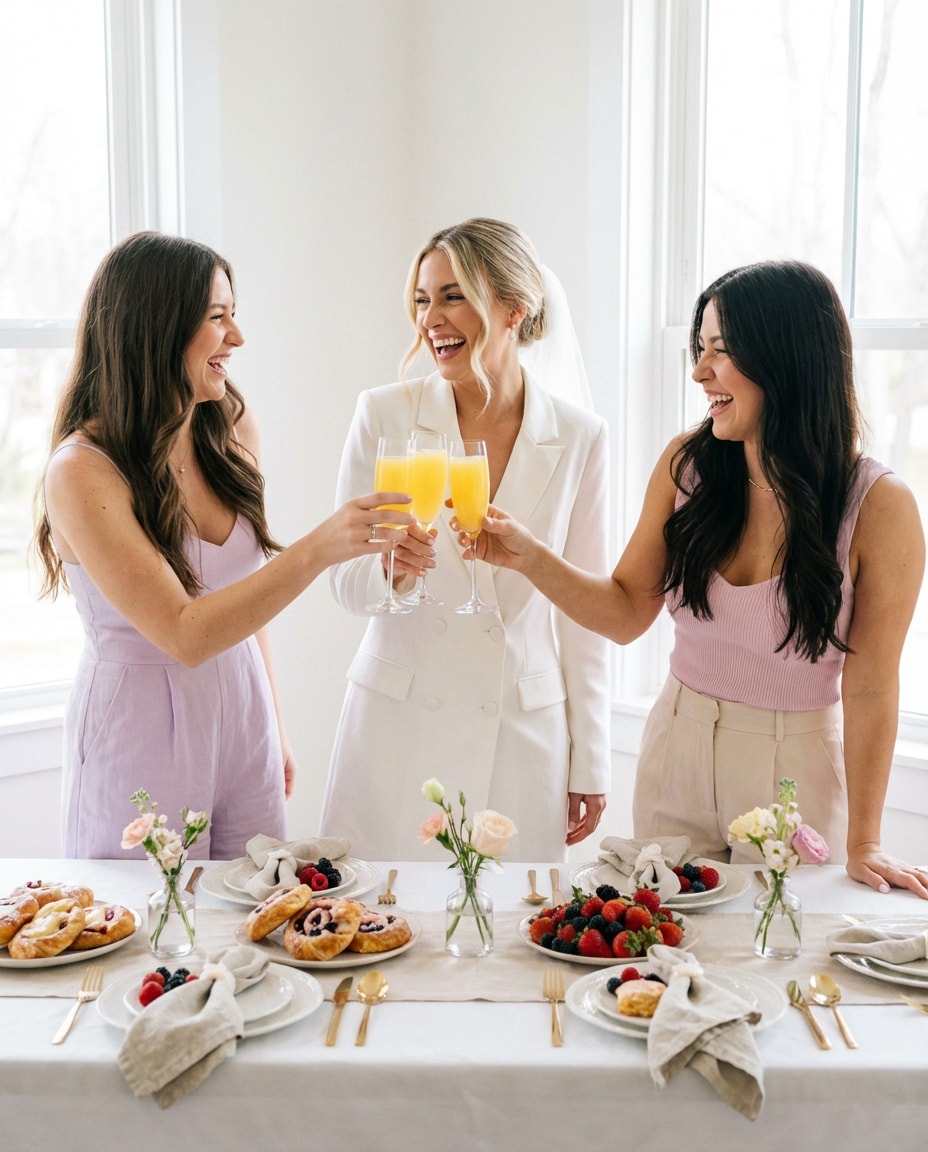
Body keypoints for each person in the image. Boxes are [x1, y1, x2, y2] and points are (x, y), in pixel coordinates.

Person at [466, 259, 928, 898]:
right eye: (699, 348)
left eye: (721, 350)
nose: (699, 372)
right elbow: (626, 613)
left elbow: (872, 684)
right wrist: (529, 556)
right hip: (678, 746)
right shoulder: (688, 466)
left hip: (793, 768)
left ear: (787, 357)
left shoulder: (878, 505)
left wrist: (866, 840)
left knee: (776, 944)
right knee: (663, 941)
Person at [35, 231, 413, 861]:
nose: (236, 337)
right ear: (157, 329)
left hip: (243, 715)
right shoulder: (82, 470)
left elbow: (244, 599)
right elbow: (184, 634)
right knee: (154, 914)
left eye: (233, 314)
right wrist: (319, 547)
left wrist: (272, 724)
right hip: (138, 727)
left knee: (254, 908)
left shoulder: (230, 429)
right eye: (217, 318)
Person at [320, 218, 612, 862]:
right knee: (381, 912)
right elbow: (342, 579)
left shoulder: (580, 435)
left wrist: (590, 757)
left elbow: (584, 611)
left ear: (514, 308)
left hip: (519, 733)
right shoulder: (384, 413)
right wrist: (392, 570)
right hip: (397, 733)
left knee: (509, 914)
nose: (431, 319)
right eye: (422, 300)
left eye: (453, 296)